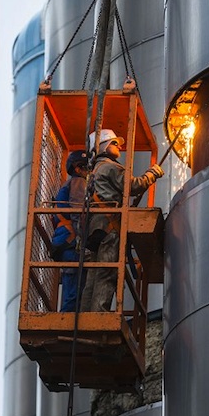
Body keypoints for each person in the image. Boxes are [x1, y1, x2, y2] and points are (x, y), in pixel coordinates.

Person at [80, 129, 164, 312]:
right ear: (102, 147)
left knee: (92, 276)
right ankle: (98, 315)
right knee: (107, 271)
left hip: (95, 228)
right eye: (114, 143)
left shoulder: (93, 171)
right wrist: (153, 173)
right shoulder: (111, 167)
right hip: (110, 226)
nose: (119, 145)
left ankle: (86, 314)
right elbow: (134, 186)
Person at [51, 150, 88, 311]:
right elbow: (78, 212)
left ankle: (67, 321)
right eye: (86, 167)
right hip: (72, 242)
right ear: (77, 169)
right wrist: (82, 237)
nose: (89, 171)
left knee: (74, 288)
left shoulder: (70, 184)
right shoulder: (78, 182)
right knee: (74, 291)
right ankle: (66, 324)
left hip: (67, 241)